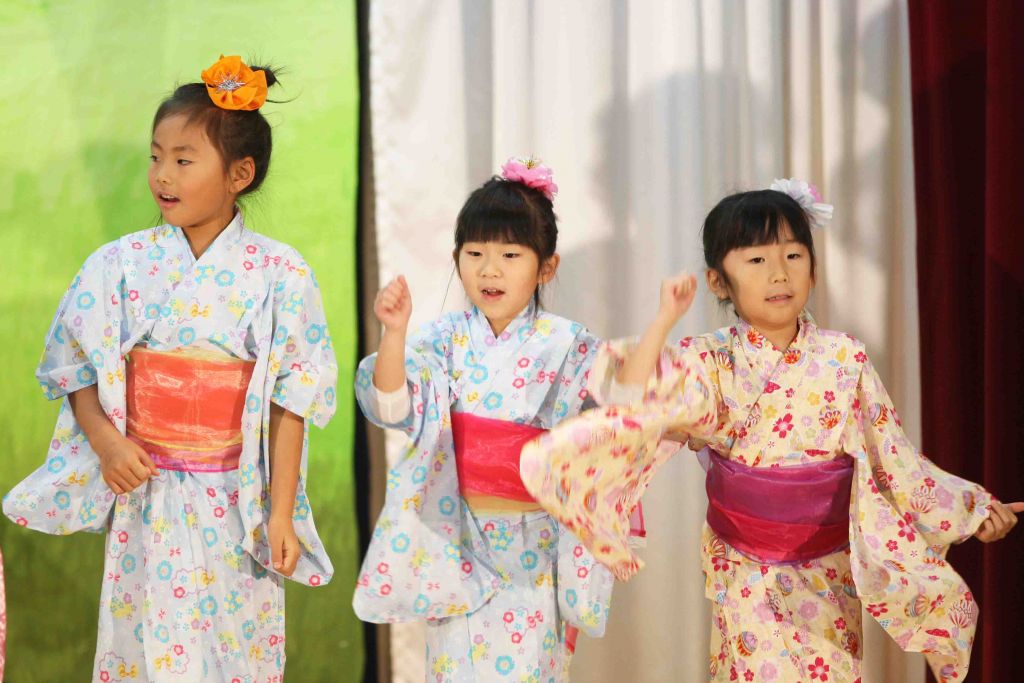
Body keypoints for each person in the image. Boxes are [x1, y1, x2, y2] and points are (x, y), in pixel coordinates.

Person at [520, 179, 1021, 682]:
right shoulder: (711, 359)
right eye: (757, 260)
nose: (779, 273)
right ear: (719, 281)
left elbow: (893, 458)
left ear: (814, 270)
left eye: (793, 256)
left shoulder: (844, 357)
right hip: (746, 575)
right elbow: (633, 393)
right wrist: (665, 319)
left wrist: (969, 510)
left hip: (828, 572)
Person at [4, 55, 338, 681]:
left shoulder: (280, 272)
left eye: (184, 160)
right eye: (156, 156)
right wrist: (107, 443)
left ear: (240, 174)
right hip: (146, 491)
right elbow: (75, 366)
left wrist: (281, 513)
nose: (163, 174)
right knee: (144, 648)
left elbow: (292, 399)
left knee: (235, 651)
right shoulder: (118, 263)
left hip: (236, 502)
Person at [354, 158, 616, 682]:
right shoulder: (441, 340)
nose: (489, 269)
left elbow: (604, 437)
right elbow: (392, 406)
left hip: (533, 546)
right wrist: (395, 335)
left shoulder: (569, 344)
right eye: (475, 253)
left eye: (510, 255)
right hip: (457, 541)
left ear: (546, 267)